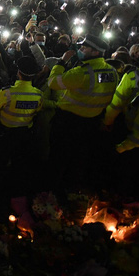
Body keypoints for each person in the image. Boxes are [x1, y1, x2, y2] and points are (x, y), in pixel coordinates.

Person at [47, 34, 118, 190]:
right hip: (92, 123)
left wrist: (61, 62)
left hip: (68, 123)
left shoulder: (82, 73)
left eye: (84, 48)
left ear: (95, 52)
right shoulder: (112, 72)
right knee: (79, 159)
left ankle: (52, 191)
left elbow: (52, 82)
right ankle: (72, 189)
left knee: (59, 158)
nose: (80, 50)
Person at [0, 56, 44, 196]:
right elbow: (37, 112)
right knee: (19, 163)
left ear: (18, 73)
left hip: (6, 134)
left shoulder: (7, 92)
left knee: (2, 162)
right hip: (25, 134)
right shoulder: (38, 95)